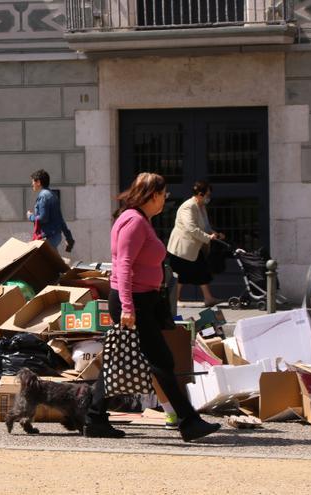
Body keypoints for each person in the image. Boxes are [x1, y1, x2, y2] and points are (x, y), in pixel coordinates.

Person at [85, 172, 220, 442]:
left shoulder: (138, 219)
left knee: (118, 363)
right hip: (134, 301)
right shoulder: (134, 221)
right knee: (161, 360)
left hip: (144, 300)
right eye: (164, 194)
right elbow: (122, 266)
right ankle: (188, 421)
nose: (165, 199)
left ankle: (94, 417)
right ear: (153, 195)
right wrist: (126, 307)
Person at [166, 181, 224, 307]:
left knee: (201, 270)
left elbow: (205, 226)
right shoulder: (189, 206)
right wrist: (208, 237)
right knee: (179, 274)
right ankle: (175, 300)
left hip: (193, 247)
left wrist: (215, 234)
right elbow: (191, 228)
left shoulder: (201, 206)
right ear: (200, 194)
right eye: (208, 194)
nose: (209, 197)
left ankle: (208, 298)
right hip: (182, 248)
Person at [26, 169, 74, 253]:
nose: (32, 184)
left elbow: (43, 218)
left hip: (48, 237)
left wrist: (30, 216)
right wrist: (68, 237)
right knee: (52, 263)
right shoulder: (53, 195)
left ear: (38, 182)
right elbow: (60, 219)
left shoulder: (43, 196)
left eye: (33, 181)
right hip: (55, 236)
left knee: (37, 260)